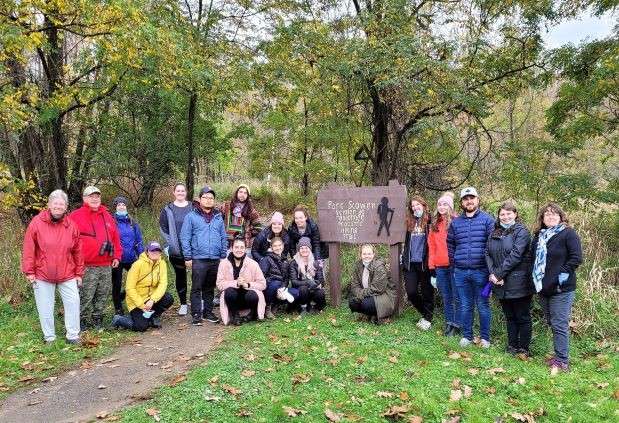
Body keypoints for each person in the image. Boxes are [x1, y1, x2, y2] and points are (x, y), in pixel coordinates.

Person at [21, 190, 84, 344]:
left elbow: (78, 251)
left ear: (66, 206)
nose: (58, 206)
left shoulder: (72, 226)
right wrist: (29, 271)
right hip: (42, 274)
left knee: (73, 303)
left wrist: (79, 273)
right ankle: (49, 337)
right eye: (55, 203)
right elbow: (29, 248)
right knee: (45, 307)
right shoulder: (36, 222)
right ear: (49, 205)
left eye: (61, 204)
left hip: (67, 273)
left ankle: (73, 335)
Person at [531, 203, 582, 371]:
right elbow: (532, 259)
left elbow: (576, 258)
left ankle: (562, 361)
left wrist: (561, 277)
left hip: (562, 288)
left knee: (559, 324)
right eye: (547, 215)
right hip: (543, 287)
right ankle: (558, 354)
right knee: (552, 322)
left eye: (554, 214)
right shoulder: (539, 236)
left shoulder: (568, 234)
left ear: (560, 217)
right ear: (542, 219)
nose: (550, 217)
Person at [447, 187, 495, 348]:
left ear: (477, 200)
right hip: (460, 272)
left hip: (481, 271)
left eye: (472, 198)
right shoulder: (456, 223)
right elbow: (450, 244)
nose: (469, 201)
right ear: (461, 202)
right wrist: (455, 262)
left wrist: (490, 270)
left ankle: (485, 338)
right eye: (466, 198)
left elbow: (492, 246)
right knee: (465, 305)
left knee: (482, 305)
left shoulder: (488, 220)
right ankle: (467, 336)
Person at [69, 186, 122, 330]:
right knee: (86, 294)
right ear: (84, 198)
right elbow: (68, 239)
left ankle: (98, 319)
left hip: (106, 265)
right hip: (86, 265)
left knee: (102, 293)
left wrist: (117, 255)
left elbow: (116, 238)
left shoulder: (107, 216)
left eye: (97, 196)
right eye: (91, 196)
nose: (94, 199)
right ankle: (83, 321)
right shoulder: (75, 216)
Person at [485, 201, 534, 356]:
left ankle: (524, 348)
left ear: (515, 214)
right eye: (502, 214)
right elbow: (487, 253)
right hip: (500, 283)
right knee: (509, 316)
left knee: (522, 316)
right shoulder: (495, 232)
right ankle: (512, 346)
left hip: (519, 281)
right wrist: (493, 275)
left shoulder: (522, 232)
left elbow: (515, 255)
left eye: (508, 214)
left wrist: (499, 274)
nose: (505, 217)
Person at [180, 185, 227, 326]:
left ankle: (208, 312)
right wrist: (188, 257)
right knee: (197, 287)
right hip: (198, 258)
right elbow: (185, 237)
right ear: (200, 199)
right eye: (205, 197)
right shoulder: (191, 217)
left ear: (214, 200)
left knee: (209, 287)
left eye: (211, 198)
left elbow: (223, 237)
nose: (208, 200)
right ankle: (196, 314)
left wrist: (223, 254)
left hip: (215, 258)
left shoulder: (218, 217)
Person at [111, 242, 174, 331]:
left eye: (158, 250)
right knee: (141, 326)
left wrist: (152, 300)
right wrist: (142, 305)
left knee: (168, 298)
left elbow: (163, 284)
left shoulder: (162, 264)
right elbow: (129, 288)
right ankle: (119, 319)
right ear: (147, 252)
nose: (155, 252)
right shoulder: (137, 265)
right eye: (152, 250)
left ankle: (153, 317)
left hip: (150, 299)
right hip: (136, 301)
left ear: (160, 253)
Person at [428, 192, 461, 336]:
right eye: (439, 204)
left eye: (445, 204)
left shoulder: (457, 222)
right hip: (440, 267)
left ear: (450, 206)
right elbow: (432, 247)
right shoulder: (435, 225)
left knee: (457, 296)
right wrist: (432, 268)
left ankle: (457, 324)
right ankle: (449, 324)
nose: (441, 207)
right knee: (447, 297)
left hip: (455, 265)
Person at [159, 183, 192, 316]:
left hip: (193, 248)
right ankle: (183, 303)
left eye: (183, 190)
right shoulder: (168, 209)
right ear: (174, 192)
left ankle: (198, 300)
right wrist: (169, 246)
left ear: (186, 192)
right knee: (181, 276)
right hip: (176, 250)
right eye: (178, 191)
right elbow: (163, 228)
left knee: (198, 275)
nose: (180, 192)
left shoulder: (193, 207)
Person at [402, 195, 434, 331]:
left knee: (427, 292)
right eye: (413, 206)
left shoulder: (430, 220)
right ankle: (424, 313)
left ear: (423, 205)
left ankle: (428, 318)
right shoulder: (409, 221)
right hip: (410, 263)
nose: (415, 207)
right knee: (411, 292)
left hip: (425, 263)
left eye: (417, 205)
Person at [217, 237, 267, 325]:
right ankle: (235, 316)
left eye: (242, 247)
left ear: (245, 249)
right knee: (229, 292)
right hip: (233, 299)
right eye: (236, 247)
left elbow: (263, 284)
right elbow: (219, 284)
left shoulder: (253, 264)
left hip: (247, 297)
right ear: (231, 249)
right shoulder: (223, 263)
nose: (239, 250)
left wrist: (247, 284)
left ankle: (253, 313)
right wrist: (235, 283)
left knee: (253, 295)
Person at [111, 196, 144, 315]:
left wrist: (142, 255)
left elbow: (139, 240)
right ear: (115, 207)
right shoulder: (111, 221)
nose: (121, 206)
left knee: (137, 280)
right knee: (117, 283)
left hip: (131, 258)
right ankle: (118, 308)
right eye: (119, 205)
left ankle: (124, 297)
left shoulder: (132, 222)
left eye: (123, 205)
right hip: (117, 259)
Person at [349, 244, 396, 324]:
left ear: (373, 254)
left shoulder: (379, 267)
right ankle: (369, 314)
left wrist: (360, 295)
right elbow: (354, 286)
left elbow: (377, 289)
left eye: (369, 254)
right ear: (360, 255)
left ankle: (381, 317)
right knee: (352, 303)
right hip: (367, 294)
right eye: (364, 254)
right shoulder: (358, 265)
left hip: (383, 296)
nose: (366, 256)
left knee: (365, 304)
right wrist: (360, 295)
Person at [289, 237, 326, 315]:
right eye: (301, 248)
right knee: (303, 289)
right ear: (298, 250)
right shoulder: (294, 263)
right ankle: (303, 307)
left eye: (306, 248)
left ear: (310, 249)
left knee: (320, 293)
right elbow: (294, 281)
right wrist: (308, 282)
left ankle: (316, 307)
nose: (304, 250)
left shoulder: (316, 261)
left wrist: (315, 283)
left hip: (314, 288)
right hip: (301, 291)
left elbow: (321, 280)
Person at [221, 184, 261, 249]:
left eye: (245, 193)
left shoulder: (251, 211)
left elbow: (258, 228)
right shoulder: (226, 206)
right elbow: (217, 222)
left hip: (242, 244)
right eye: (240, 192)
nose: (242, 194)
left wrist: (247, 231)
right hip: (226, 243)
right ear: (236, 193)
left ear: (248, 196)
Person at [259, 237, 290, 319]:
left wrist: (283, 287)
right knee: (275, 284)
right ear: (271, 247)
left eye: (279, 245)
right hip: (268, 287)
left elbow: (286, 278)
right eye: (275, 246)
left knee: (293, 293)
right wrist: (271, 281)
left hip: (280, 286)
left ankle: (277, 304)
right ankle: (267, 308)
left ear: (283, 246)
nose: (278, 248)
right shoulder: (267, 259)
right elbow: (261, 276)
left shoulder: (285, 260)